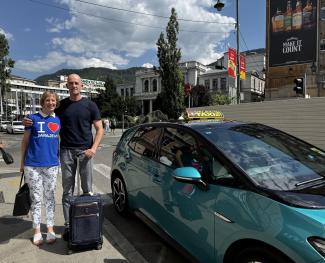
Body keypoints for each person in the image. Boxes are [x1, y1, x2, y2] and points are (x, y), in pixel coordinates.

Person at [23, 73, 104, 241]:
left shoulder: (90, 105)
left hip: (85, 152)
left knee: (87, 190)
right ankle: (69, 226)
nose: (74, 85)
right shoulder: (62, 106)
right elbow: (46, 113)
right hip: (66, 151)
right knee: (66, 191)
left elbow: (100, 128)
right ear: (67, 86)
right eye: (70, 83)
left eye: (76, 83)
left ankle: (88, 225)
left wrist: (93, 149)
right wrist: (28, 120)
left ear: (82, 85)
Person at [20, 91, 61, 246]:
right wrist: (22, 164)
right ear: (42, 102)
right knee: (36, 199)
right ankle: (37, 230)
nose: (51, 103)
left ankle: (50, 229)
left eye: (53, 100)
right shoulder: (32, 119)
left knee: (50, 197)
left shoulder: (57, 120)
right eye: (48, 100)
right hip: (33, 165)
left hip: (51, 165)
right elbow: (24, 142)